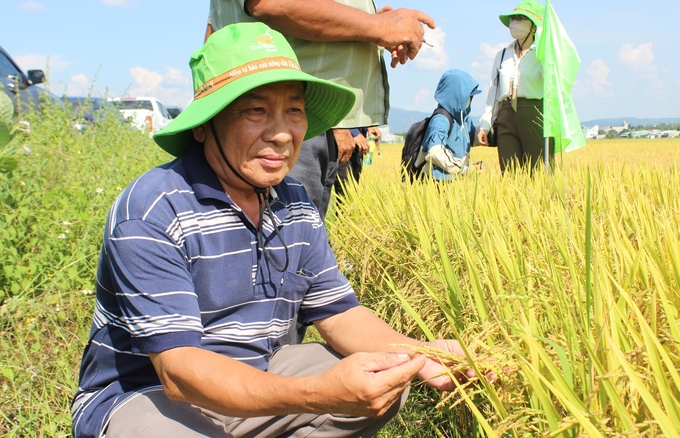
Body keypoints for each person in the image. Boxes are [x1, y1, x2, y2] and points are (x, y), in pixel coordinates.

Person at [72, 23, 479, 438]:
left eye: (294, 111)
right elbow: (179, 373)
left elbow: (340, 314)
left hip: (258, 373)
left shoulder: (295, 202)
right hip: (153, 396)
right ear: (203, 125)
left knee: (387, 378)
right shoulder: (153, 210)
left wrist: (421, 354)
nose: (282, 133)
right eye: (255, 111)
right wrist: (317, 394)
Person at [206, 0, 435, 219]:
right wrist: (381, 26)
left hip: (308, 117)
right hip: (286, 117)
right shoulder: (279, 130)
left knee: (297, 234)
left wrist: (364, 23)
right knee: (273, 232)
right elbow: (270, 2)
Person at [476, 0, 554, 173]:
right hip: (506, 115)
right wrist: (485, 124)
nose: (514, 24)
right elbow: (493, 93)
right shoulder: (503, 54)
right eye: (513, 19)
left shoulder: (543, 53)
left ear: (534, 26)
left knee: (540, 171)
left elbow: (553, 85)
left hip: (535, 113)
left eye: (520, 18)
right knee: (509, 172)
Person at [418, 69, 481, 181]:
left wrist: (493, 131)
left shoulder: (463, 118)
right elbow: (434, 152)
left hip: (455, 182)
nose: (470, 100)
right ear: (458, 95)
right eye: (469, 96)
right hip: (438, 184)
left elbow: (472, 138)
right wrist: (462, 169)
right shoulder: (441, 119)